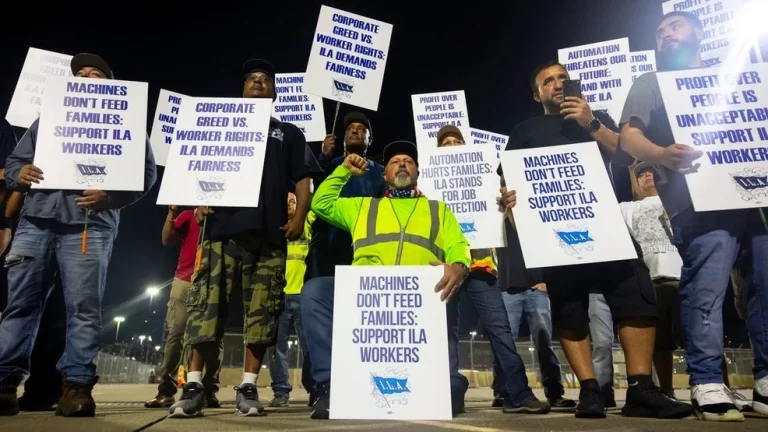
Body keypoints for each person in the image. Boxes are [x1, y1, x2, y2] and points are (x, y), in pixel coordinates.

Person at [498, 60, 693, 419]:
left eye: (563, 79)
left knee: (636, 295)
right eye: (548, 81)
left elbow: (626, 153)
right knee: (569, 307)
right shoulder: (525, 129)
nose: (558, 85)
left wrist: (590, 122)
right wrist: (507, 200)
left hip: (605, 226)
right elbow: (508, 180)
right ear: (536, 93)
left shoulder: (595, 116)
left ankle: (640, 389)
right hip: (558, 231)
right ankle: (589, 389)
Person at [303, 140, 548, 420]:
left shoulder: (438, 209)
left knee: (449, 395)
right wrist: (343, 171)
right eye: (395, 161)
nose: (402, 164)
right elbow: (321, 204)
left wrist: (458, 266)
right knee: (315, 290)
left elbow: (458, 244)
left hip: (415, 306)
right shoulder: (362, 207)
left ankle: (450, 384)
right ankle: (328, 386)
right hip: (368, 302)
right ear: (384, 174)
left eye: (408, 160)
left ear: (418, 172)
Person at [619, 10, 767, 420]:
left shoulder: (733, 74)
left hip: (751, 199)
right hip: (694, 203)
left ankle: (765, 381)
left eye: (675, 26)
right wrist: (662, 155)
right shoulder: (649, 83)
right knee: (707, 289)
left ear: (699, 32)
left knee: (763, 284)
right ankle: (705, 382)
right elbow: (630, 136)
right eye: (660, 31)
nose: (666, 34)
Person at [0, 53, 157, 417]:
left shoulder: (127, 120)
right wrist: (18, 173)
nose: (86, 77)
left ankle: (76, 386)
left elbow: (146, 173)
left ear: (110, 85)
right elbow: (13, 163)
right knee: (20, 304)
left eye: (95, 74)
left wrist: (112, 197)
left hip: (89, 225)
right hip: (37, 220)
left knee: (83, 309)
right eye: (80, 74)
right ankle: (5, 383)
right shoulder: (48, 119)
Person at [168, 58, 322, 418]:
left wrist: (298, 215)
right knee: (206, 308)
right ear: (242, 89)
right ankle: (193, 385)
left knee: (262, 314)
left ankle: (249, 386)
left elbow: (303, 178)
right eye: (251, 78)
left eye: (265, 79)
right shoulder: (218, 127)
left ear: (274, 92)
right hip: (221, 231)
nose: (257, 82)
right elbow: (195, 165)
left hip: (267, 235)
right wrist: (198, 201)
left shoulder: (288, 132)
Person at [437, 125, 570, 410]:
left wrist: (508, 207)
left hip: (481, 267)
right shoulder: (431, 183)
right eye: (445, 142)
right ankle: (448, 391)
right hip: (446, 267)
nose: (451, 145)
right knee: (446, 330)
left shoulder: (489, 182)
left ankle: (517, 393)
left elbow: (511, 230)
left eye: (456, 140)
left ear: (466, 146)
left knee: (501, 331)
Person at [145, 207, 221, 409]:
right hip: (184, 281)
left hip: (212, 281)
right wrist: (171, 213)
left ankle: (209, 389)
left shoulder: (224, 216)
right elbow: (166, 239)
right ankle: (166, 390)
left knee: (212, 338)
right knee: (176, 333)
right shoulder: (188, 216)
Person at [619, 162, 684, 398]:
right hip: (650, 280)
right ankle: (667, 390)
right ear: (634, 183)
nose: (647, 176)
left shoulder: (678, 203)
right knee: (660, 343)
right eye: (642, 175)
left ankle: (716, 386)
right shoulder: (627, 208)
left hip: (683, 277)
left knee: (700, 336)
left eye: (652, 173)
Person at [305, 111, 386, 281]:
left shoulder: (380, 172)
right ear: (343, 138)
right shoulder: (328, 165)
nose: (355, 131)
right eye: (350, 128)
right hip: (325, 244)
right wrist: (323, 156)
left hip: (361, 246)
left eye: (361, 129)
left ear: (369, 140)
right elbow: (311, 189)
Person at [268, 193, 315, 407]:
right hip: (279, 296)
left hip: (302, 295)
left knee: (310, 348)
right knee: (276, 348)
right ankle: (280, 392)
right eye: (286, 200)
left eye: (294, 201)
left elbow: (315, 205)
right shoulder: (273, 228)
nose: (289, 203)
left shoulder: (307, 223)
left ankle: (315, 389)